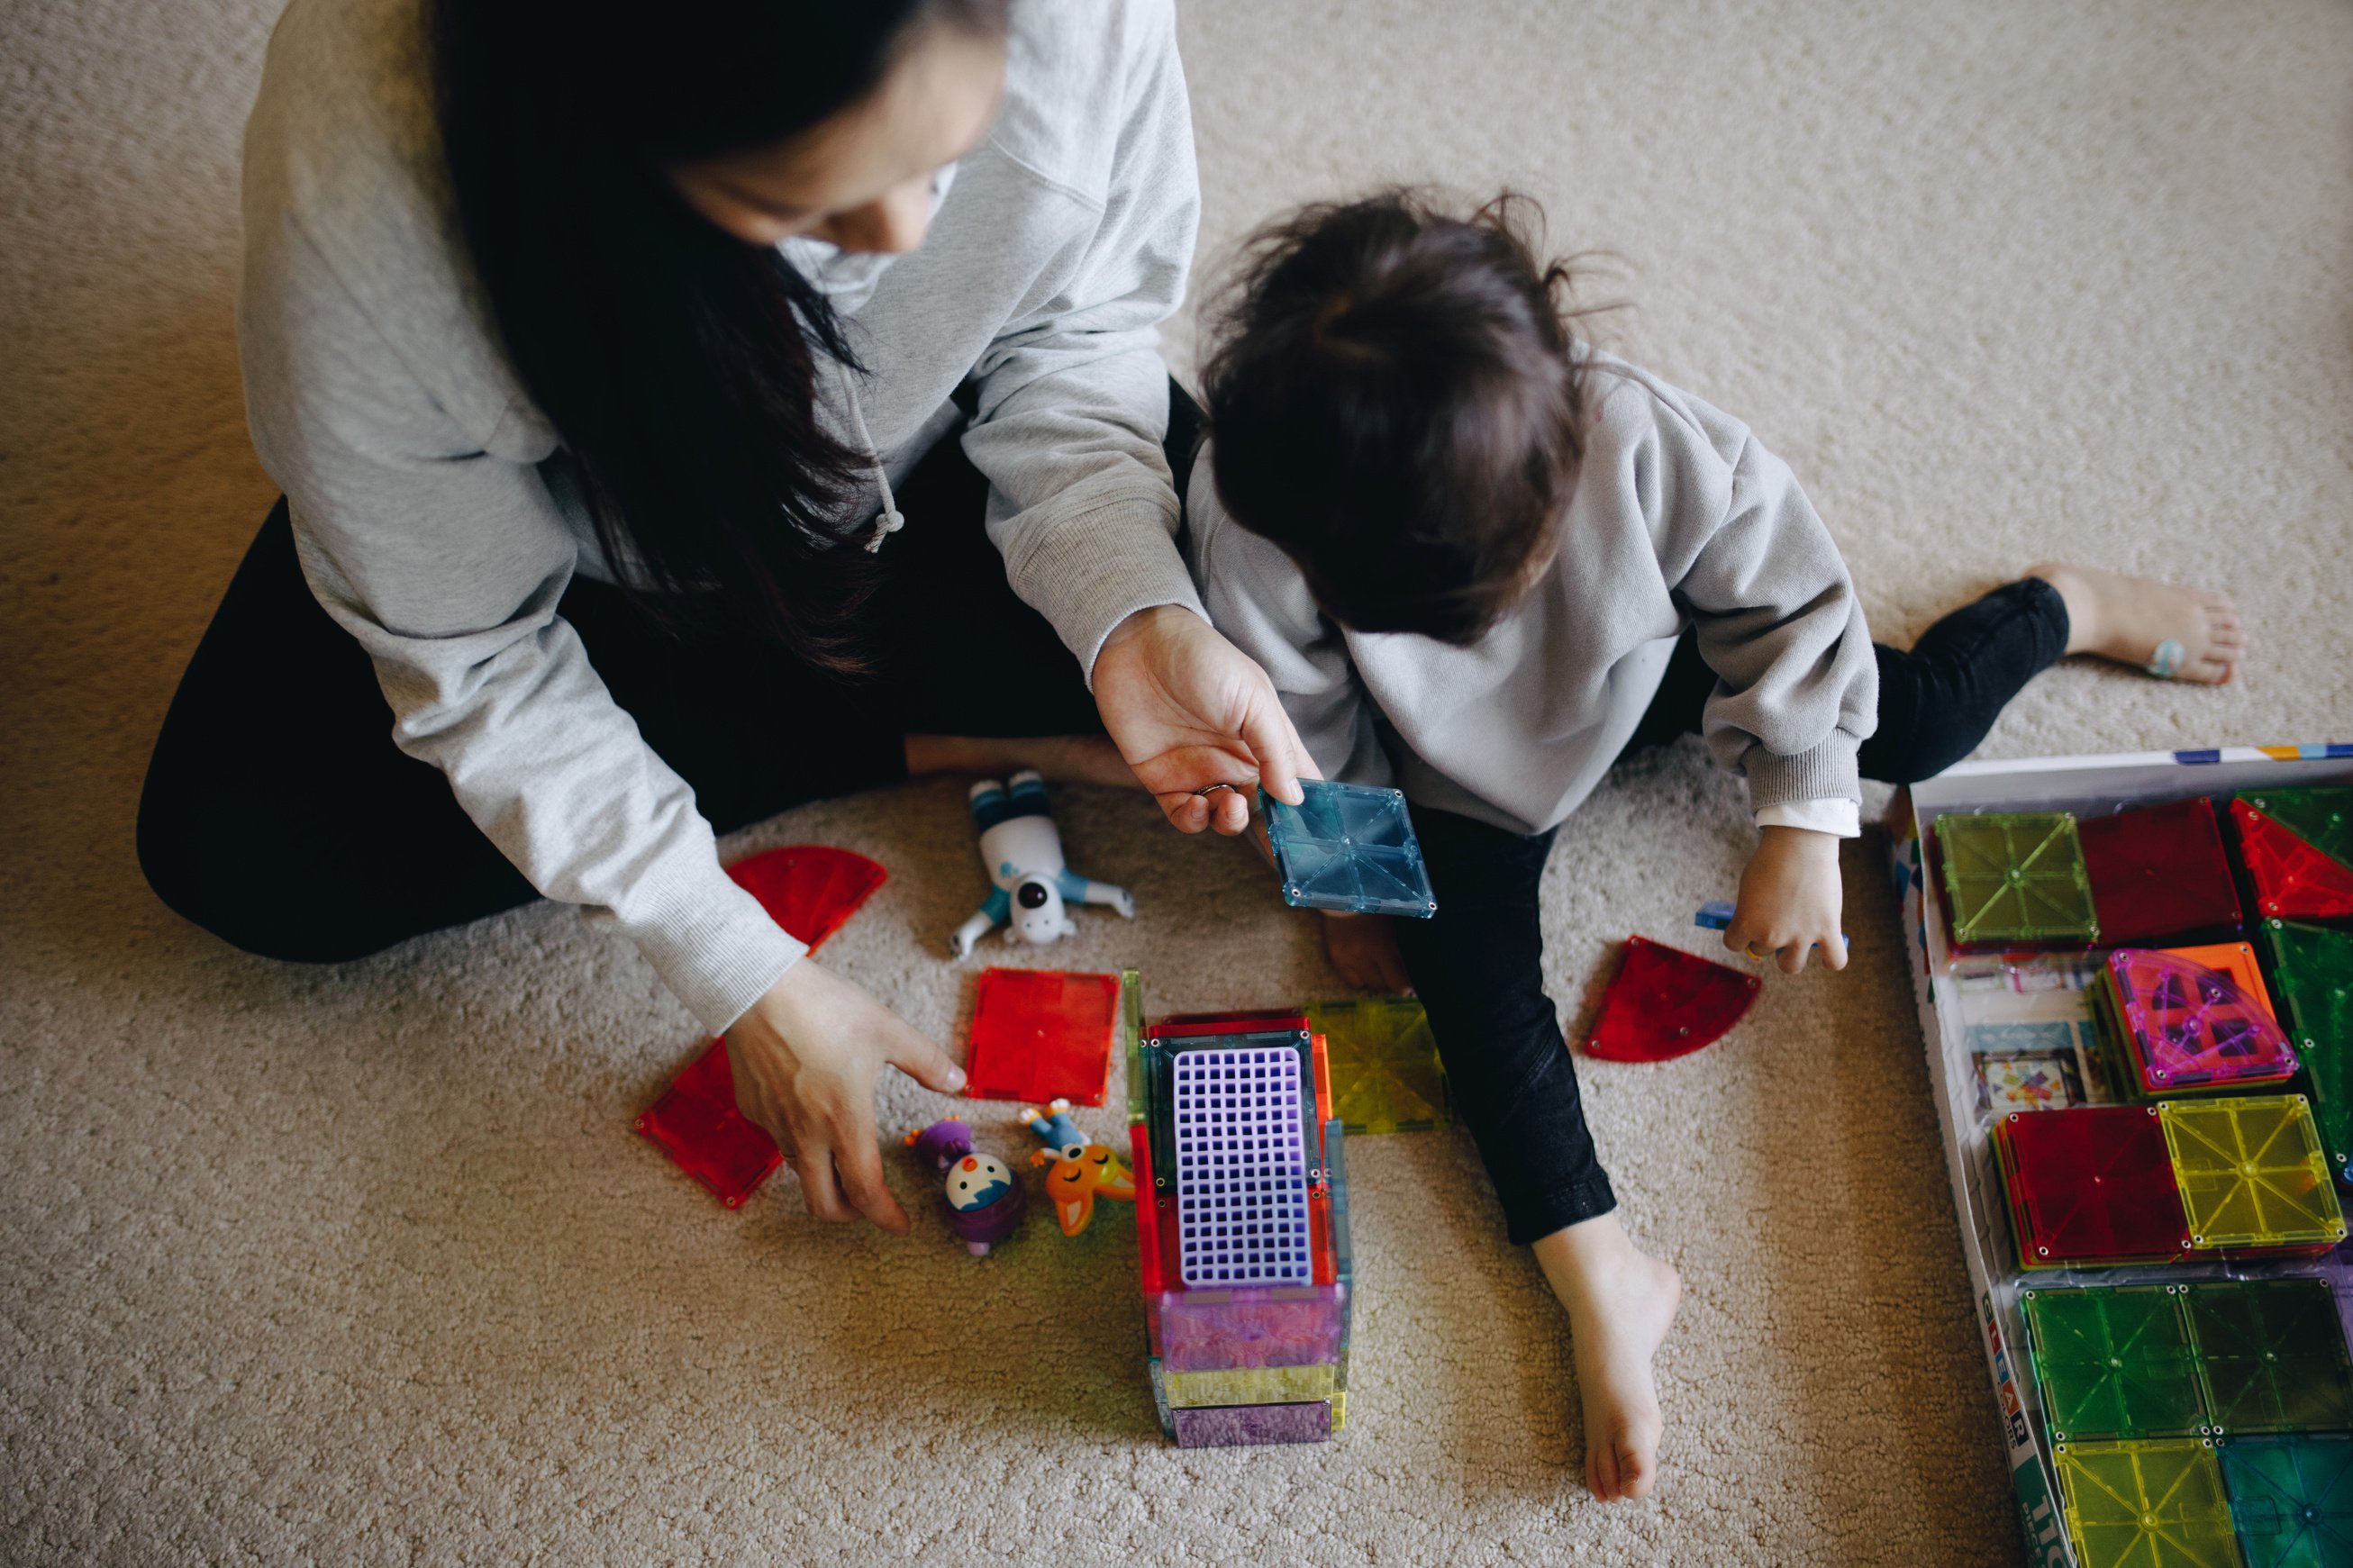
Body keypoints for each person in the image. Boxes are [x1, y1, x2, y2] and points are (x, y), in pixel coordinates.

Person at [135, 0, 1309, 1237]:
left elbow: (1075, 330)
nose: (912, 236)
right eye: (813, 213)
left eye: (944, 159)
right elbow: (473, 652)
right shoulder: (371, 220)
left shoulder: (1085, 19)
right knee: (243, 846)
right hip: (608, 554)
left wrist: (1127, 606)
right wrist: (738, 968)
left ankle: (882, 717)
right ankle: (918, 728)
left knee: (1285, 581)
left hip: (928, 473)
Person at [1183, 190, 2245, 1501]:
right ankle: (1603, 1273)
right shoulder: (1258, 521)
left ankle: (2056, 604)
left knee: (1914, 720)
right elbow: (1305, 732)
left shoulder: (1642, 436)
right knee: (1472, 1000)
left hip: (1653, 657)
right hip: (1452, 776)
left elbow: (1798, 608)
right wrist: (1350, 883)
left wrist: (1804, 811)